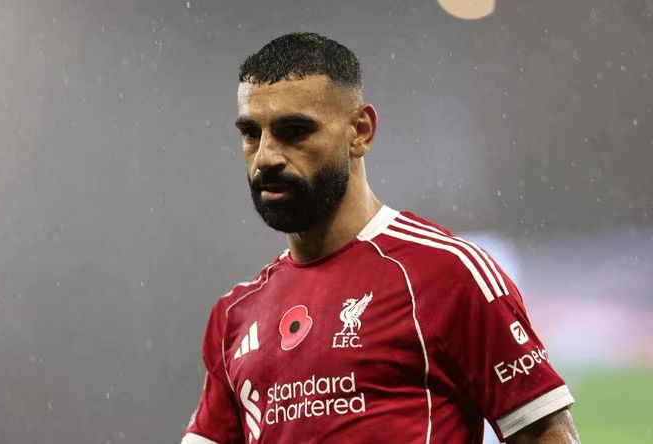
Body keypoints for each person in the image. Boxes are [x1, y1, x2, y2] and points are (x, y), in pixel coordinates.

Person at [181, 32, 579, 444]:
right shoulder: (235, 315)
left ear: (361, 131)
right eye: (251, 133)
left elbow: (544, 433)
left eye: (294, 130)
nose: (265, 157)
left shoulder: (447, 275)